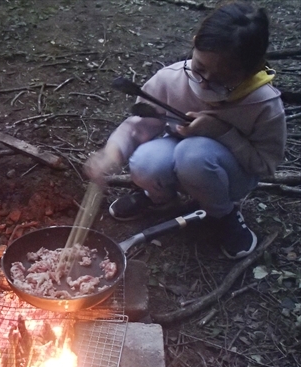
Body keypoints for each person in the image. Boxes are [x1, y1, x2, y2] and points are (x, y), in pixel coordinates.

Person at [85, 1, 286, 260]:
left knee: (193, 154)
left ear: (253, 70)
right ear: (194, 44)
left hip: (232, 174)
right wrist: (110, 154)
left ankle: (222, 213)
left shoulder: (263, 104)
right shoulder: (171, 80)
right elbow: (138, 126)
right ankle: (161, 198)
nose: (205, 84)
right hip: (180, 154)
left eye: (222, 79)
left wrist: (222, 132)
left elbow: (265, 165)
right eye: (200, 68)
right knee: (146, 160)